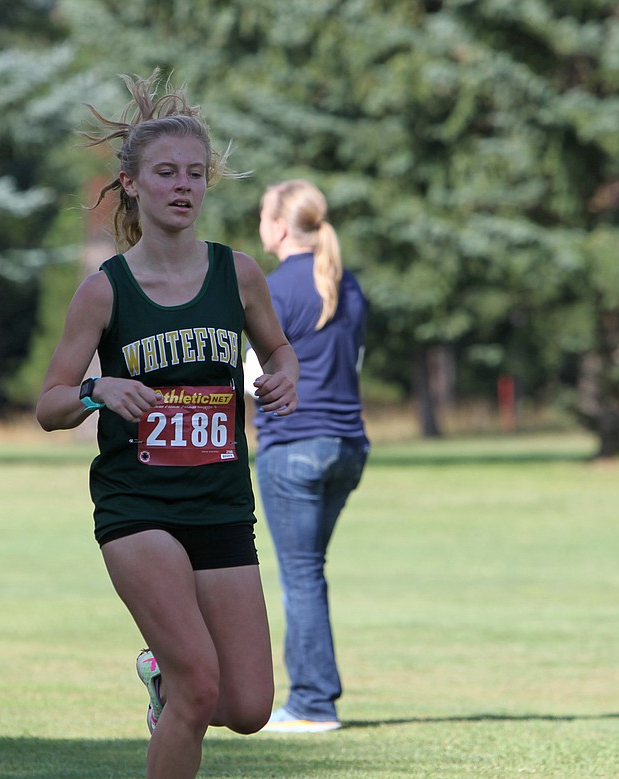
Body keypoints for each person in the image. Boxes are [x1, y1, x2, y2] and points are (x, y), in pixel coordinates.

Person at [35, 71, 299, 779]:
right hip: (137, 506)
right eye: (166, 173)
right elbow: (49, 403)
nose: (183, 185)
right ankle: (177, 682)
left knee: (247, 706)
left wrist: (284, 376)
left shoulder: (237, 274)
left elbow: (278, 349)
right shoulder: (104, 290)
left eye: (195, 174)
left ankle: (162, 677)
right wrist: (97, 389)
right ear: (132, 184)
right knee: (200, 687)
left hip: (219, 501)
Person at [247, 179, 370, 733]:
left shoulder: (269, 289)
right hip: (348, 447)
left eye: (261, 216)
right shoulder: (350, 286)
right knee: (309, 573)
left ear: (277, 226)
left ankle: (313, 703)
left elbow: (252, 378)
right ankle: (314, 696)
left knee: (300, 576)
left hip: (294, 446)